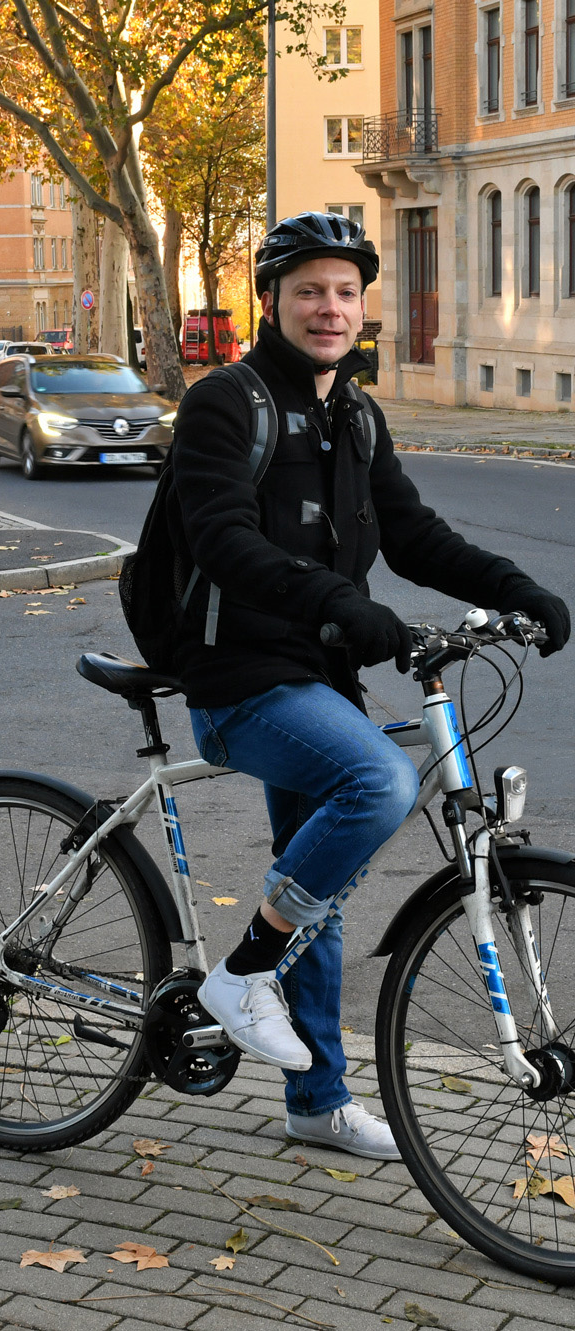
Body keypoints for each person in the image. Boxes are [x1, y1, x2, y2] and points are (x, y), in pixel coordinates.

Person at [171, 211, 570, 1160]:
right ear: (270, 299)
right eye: (309, 289)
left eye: (346, 292)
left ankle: (316, 1102)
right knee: (379, 785)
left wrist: (515, 588)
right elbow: (222, 539)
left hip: (315, 677)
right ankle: (242, 973)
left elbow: (415, 533)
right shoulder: (227, 403)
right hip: (236, 676)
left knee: (322, 885)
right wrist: (342, 607)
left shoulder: (354, 412)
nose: (330, 308)